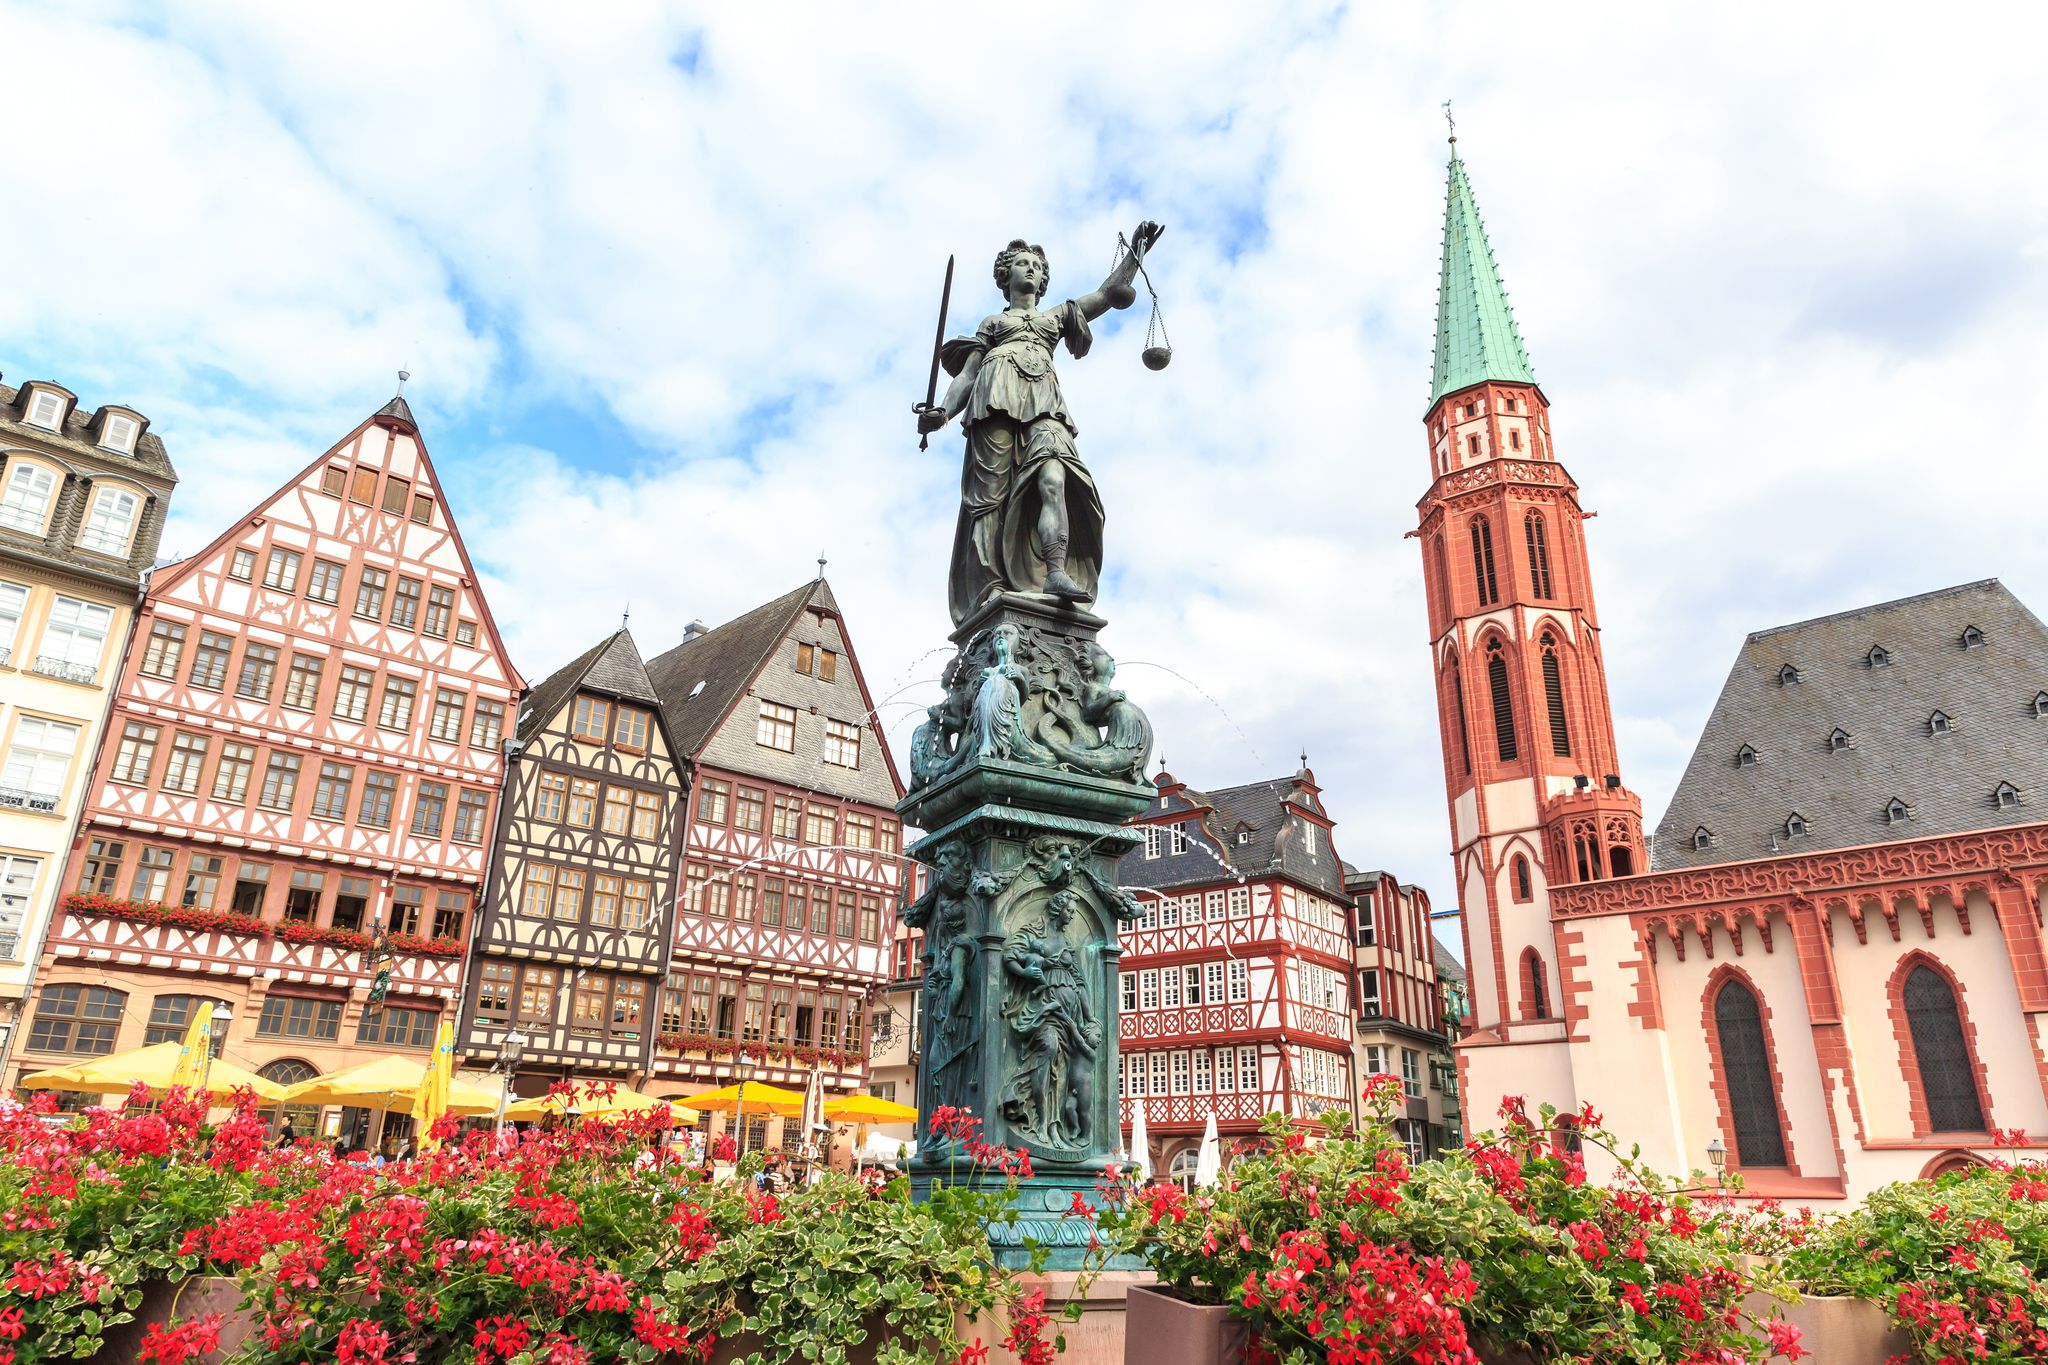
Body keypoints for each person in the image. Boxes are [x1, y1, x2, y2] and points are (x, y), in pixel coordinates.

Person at [917, 224, 1165, 625]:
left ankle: (1055, 572)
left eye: (1036, 265)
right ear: (1006, 275)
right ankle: (991, 586)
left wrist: (1133, 259)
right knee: (990, 500)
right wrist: (943, 414)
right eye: (1021, 263)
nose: (1030, 269)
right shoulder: (993, 324)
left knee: (1055, 478)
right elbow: (967, 375)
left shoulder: (1055, 318)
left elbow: (1105, 296)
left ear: (1043, 278)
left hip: (1045, 403)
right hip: (994, 401)